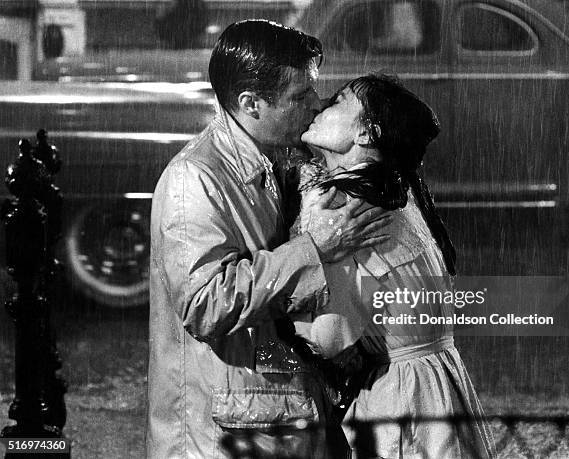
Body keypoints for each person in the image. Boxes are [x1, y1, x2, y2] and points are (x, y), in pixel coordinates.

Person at [146, 21, 391, 459]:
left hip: (276, 417)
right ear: (250, 103)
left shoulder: (280, 156)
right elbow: (204, 305)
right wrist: (313, 250)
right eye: (300, 96)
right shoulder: (195, 179)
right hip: (226, 435)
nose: (316, 106)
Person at [293, 74, 496, 458]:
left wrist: (305, 262)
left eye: (338, 102)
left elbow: (330, 338)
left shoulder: (343, 206)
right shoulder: (399, 193)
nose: (321, 107)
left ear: (367, 134)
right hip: (439, 383)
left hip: (399, 398)